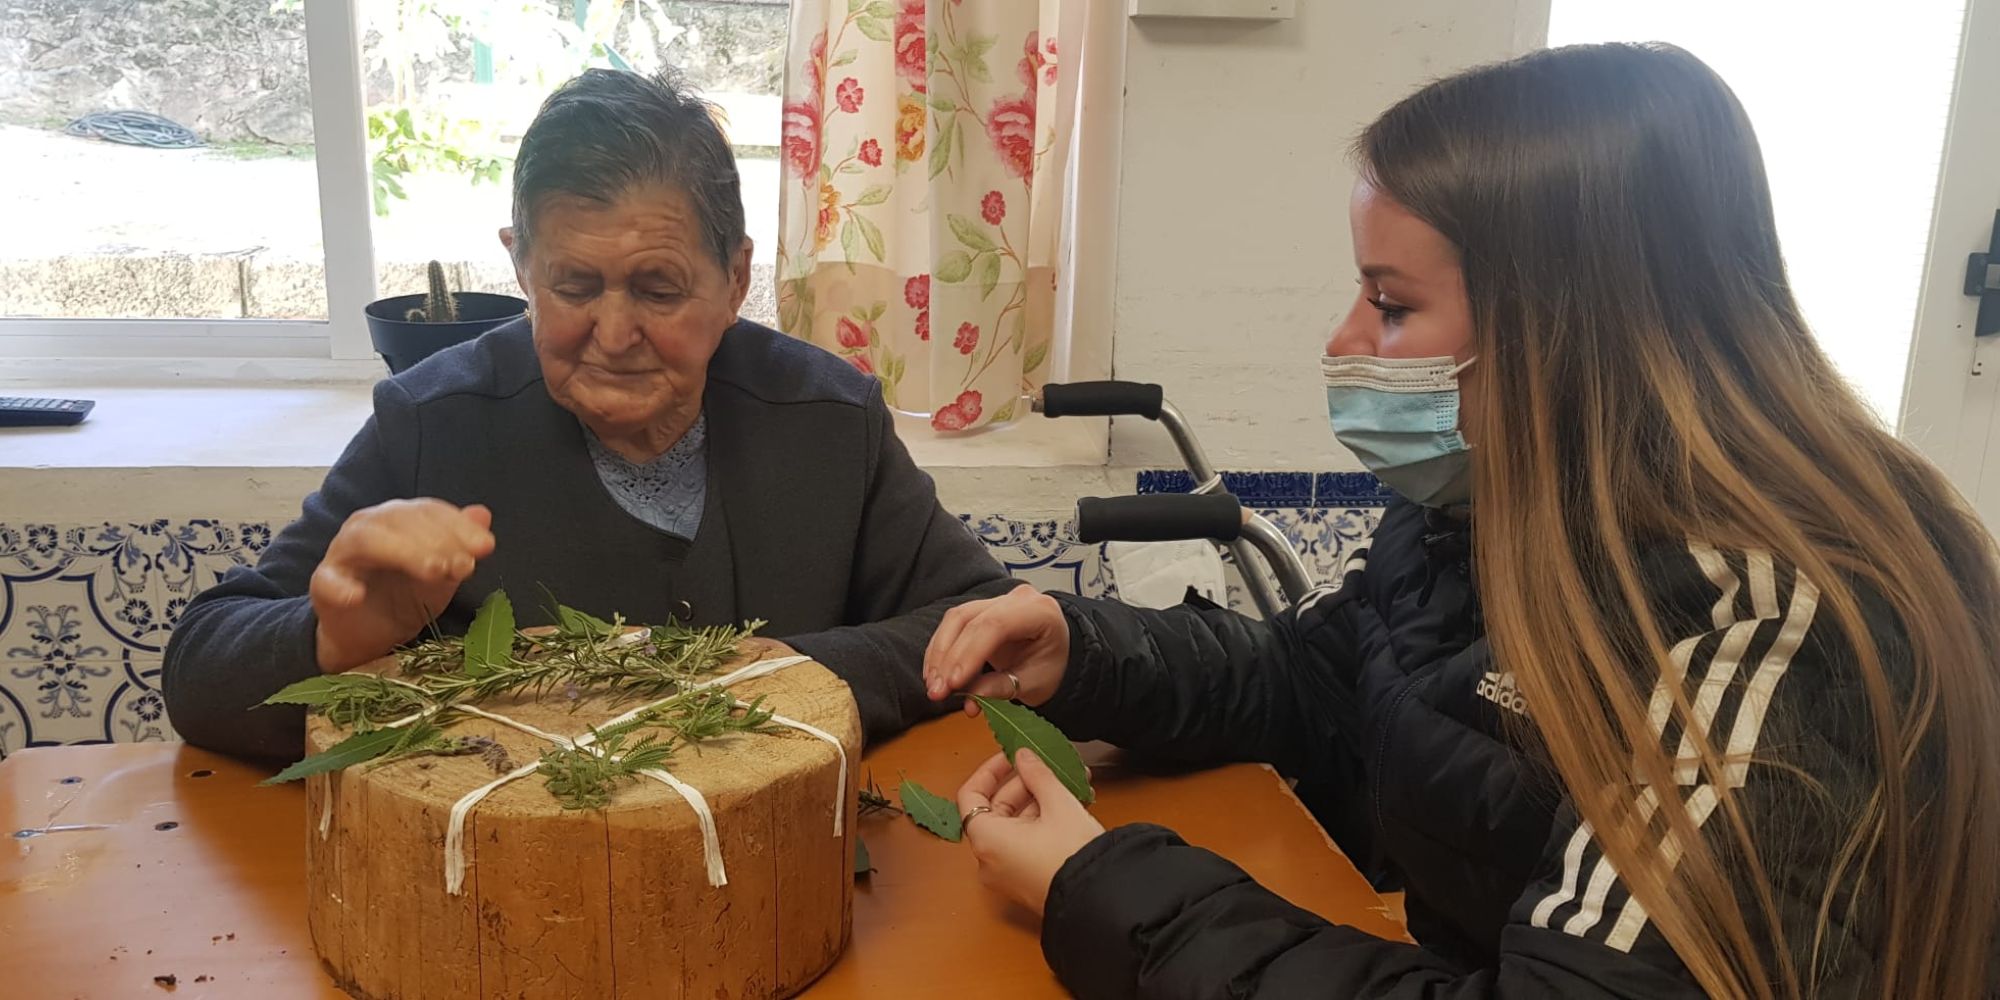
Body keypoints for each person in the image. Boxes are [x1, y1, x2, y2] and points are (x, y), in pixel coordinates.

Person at [923, 43, 2000, 999]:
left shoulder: (1775, 630)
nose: (1341, 337)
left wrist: (1102, 885)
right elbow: (1316, 686)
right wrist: (1087, 651)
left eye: (1389, 305)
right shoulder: (1485, 514)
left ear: (1563, 331)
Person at [163, 68, 1012, 760]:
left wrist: (769, 675)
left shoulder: (829, 417)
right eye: (573, 287)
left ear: (736, 279)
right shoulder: (431, 421)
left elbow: (980, 623)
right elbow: (200, 667)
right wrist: (327, 641)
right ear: (522, 265)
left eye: (659, 288)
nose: (614, 335)